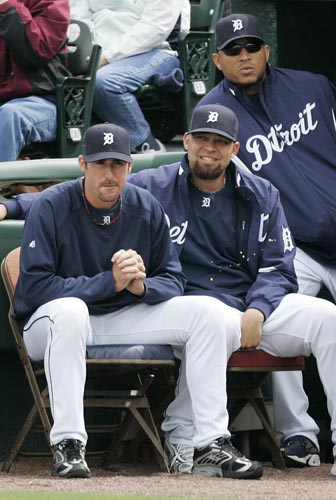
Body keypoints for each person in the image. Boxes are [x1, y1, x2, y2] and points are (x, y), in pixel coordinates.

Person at [5, 106, 336, 477]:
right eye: (100, 163)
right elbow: (36, 285)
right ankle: (72, 444)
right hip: (63, 320)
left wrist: (142, 285)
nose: (109, 173)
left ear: (235, 148)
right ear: (188, 142)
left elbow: (260, 270)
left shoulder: (252, 195)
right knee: (76, 311)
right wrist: (10, 203)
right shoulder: (154, 186)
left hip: (241, 306)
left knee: (314, 318)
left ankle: (211, 442)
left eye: (220, 141)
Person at [196, 12, 336, 469]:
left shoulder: (312, 87)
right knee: (284, 319)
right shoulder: (215, 115)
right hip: (293, 247)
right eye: (233, 50)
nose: (245, 56)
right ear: (217, 59)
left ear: (267, 50)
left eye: (252, 46)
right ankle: (300, 436)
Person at [69, 0, 190, 153]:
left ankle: (145, 145)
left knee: (104, 82)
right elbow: (79, 14)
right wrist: (89, 51)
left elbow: (155, 28)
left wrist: (106, 57)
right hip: (97, 49)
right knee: (56, 76)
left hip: (156, 49)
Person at [0, 0, 71, 162]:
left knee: (11, 116)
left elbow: (35, 53)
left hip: (44, 100)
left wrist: (7, 6)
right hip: (5, 100)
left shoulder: (53, 3)